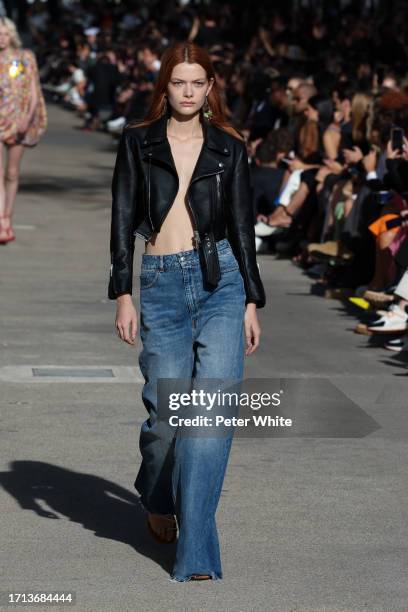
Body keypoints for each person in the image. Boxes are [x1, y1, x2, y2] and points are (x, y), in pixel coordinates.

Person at [108, 42, 266, 582]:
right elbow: (123, 215)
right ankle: (156, 492)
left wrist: (250, 299)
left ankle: (196, 551)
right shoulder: (137, 142)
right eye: (180, 83)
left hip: (220, 279)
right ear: (165, 87)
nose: (189, 92)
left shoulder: (229, 147)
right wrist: (123, 292)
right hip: (160, 283)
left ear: (211, 89)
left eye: (198, 83)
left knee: (211, 417)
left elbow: (243, 226)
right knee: (168, 420)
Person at [0, 17, 47, 244]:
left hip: (18, 120)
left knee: (11, 172)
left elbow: (33, 91)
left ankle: (7, 214)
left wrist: (27, 119)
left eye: (4, 33)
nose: (1, 38)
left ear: (11, 34)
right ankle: (2, 221)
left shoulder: (24, 58)